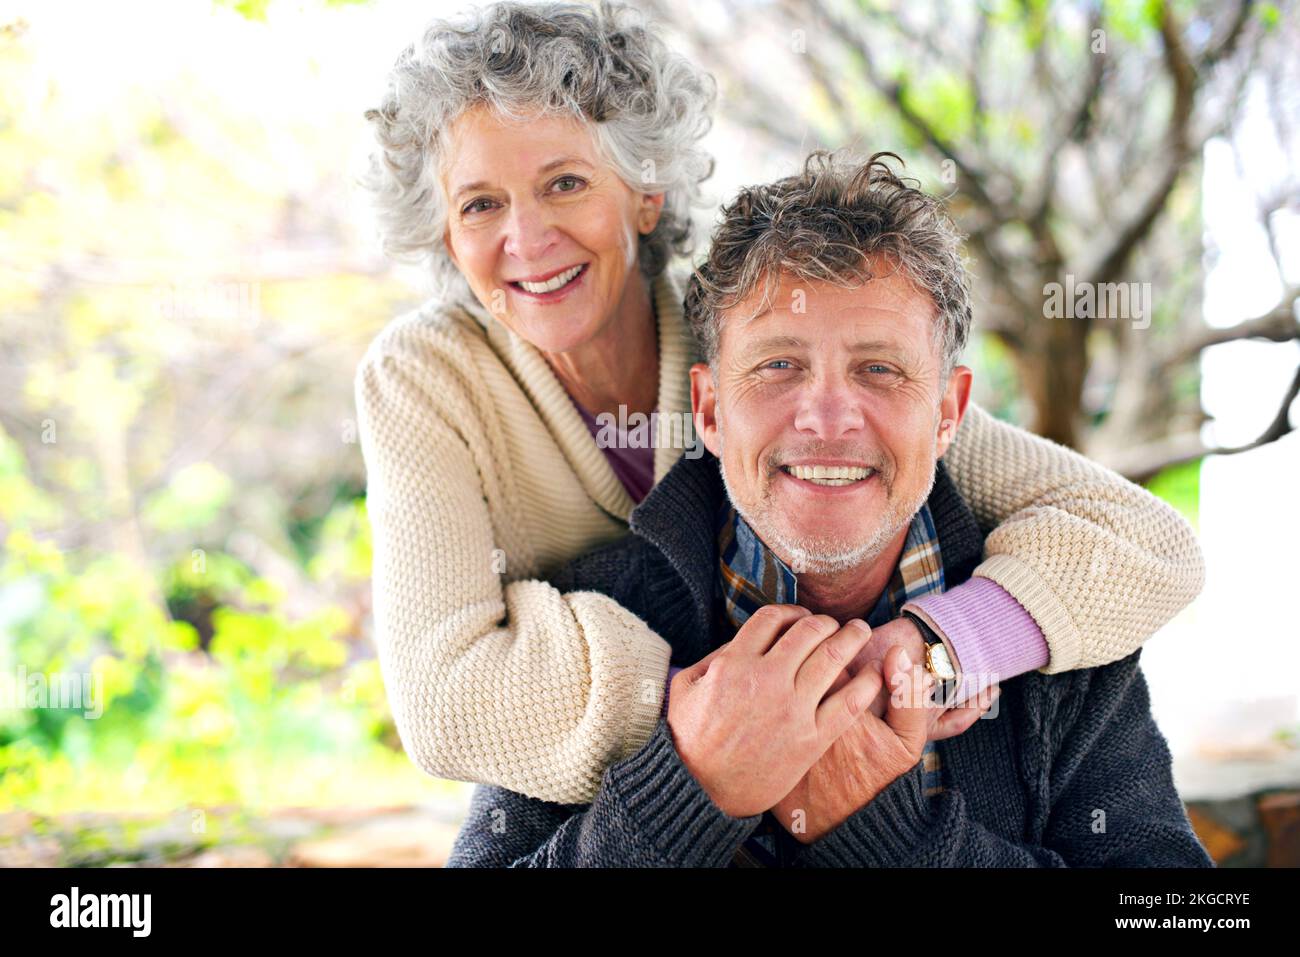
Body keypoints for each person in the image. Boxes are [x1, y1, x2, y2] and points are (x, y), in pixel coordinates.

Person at [354, 0, 1205, 806]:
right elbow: (446, 700)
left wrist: (937, 650)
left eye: (565, 183)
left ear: (646, 194)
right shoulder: (423, 376)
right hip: (626, 788)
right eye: (480, 204)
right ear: (443, 231)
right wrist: (731, 710)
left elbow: (1144, 540)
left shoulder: (757, 338)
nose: (527, 239)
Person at [445, 153, 1214, 867]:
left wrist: (887, 835)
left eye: (879, 368)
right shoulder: (590, 622)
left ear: (949, 412)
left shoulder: (1061, 623)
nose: (828, 416)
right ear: (710, 409)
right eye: (779, 365)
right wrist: (687, 791)